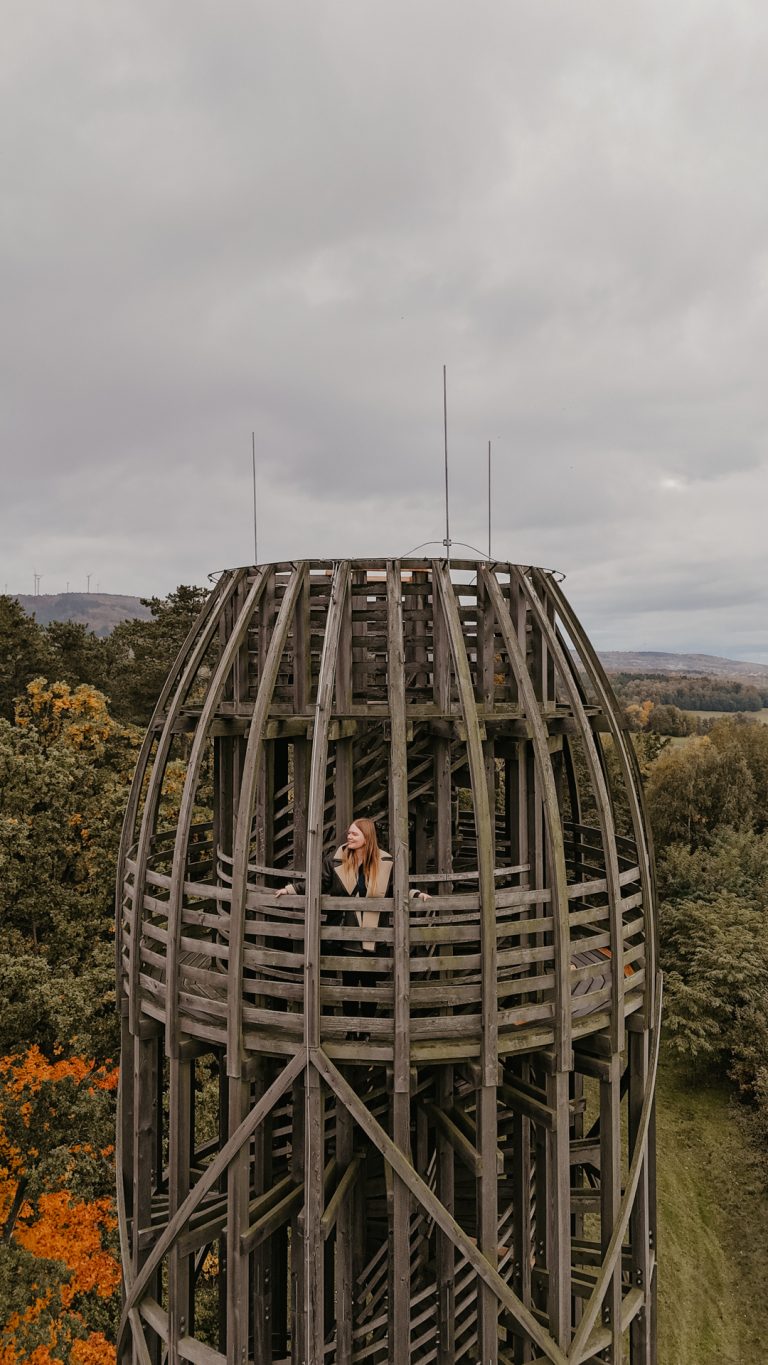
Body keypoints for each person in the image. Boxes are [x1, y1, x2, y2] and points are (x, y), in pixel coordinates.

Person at [275, 817, 429, 1017]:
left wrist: (416, 894)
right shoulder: (335, 860)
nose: (349, 836)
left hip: (373, 934)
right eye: (349, 833)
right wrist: (290, 890)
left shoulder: (386, 862)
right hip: (344, 932)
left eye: (354, 833)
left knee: (369, 983)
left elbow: (397, 887)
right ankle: (349, 1030)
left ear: (367, 836)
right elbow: (318, 883)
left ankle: (365, 1030)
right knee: (349, 980)